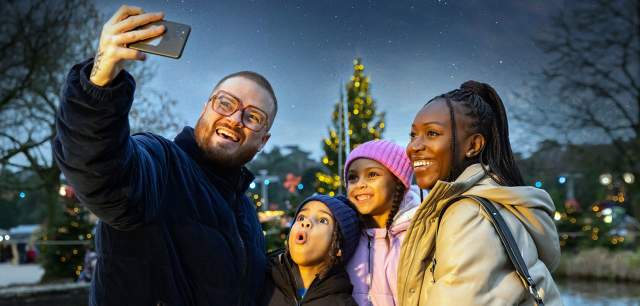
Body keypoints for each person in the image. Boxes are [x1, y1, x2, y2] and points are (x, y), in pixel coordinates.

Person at [53, 5, 277, 306]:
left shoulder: (246, 213)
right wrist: (98, 88)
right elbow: (102, 174)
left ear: (263, 140)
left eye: (253, 117)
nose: (235, 119)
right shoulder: (160, 163)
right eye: (226, 103)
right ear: (205, 108)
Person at [397, 81, 562, 306]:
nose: (413, 147)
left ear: (473, 145)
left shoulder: (468, 215)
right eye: (413, 134)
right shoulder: (498, 202)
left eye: (432, 133)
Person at [343, 140, 420, 306]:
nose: (360, 184)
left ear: (397, 181)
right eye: (353, 177)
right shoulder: (345, 237)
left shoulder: (420, 234)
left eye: (372, 174)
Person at [260, 195, 359, 306]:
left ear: (338, 247)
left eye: (323, 220)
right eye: (301, 217)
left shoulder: (342, 303)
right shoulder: (260, 279)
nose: (306, 222)